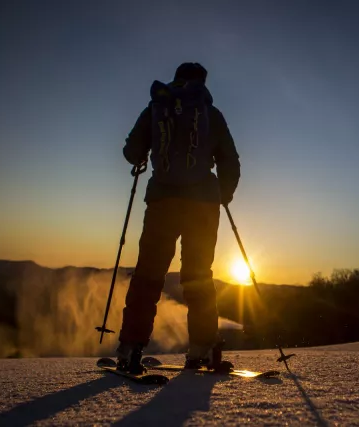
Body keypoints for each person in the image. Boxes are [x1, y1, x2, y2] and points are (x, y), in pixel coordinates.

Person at [117, 62, 241, 374]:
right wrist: (222, 194)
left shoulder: (157, 108)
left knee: (148, 275)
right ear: (203, 82)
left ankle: (131, 347)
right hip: (202, 206)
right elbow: (230, 161)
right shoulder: (212, 115)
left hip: (162, 202)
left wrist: (145, 154)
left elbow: (132, 151)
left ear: (177, 78)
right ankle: (201, 349)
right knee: (199, 275)